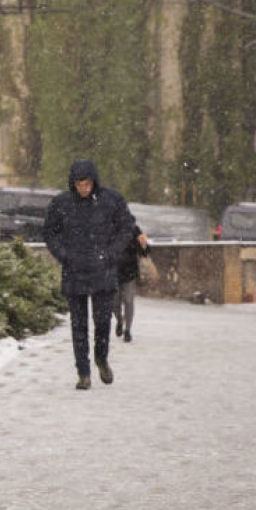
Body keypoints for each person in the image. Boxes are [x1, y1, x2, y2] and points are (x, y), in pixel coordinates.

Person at [44, 158, 135, 390]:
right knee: (78, 325)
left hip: (102, 271)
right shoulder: (61, 204)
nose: (83, 189)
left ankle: (101, 357)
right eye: (79, 184)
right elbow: (50, 233)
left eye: (87, 184)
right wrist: (64, 255)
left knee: (103, 321)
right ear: (73, 184)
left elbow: (127, 227)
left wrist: (112, 254)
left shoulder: (111, 201)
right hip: (74, 271)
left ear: (94, 182)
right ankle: (83, 372)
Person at [114, 226, 150, 343]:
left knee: (129, 300)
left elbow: (145, 251)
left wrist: (144, 246)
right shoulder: (108, 226)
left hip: (130, 272)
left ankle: (127, 330)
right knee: (114, 303)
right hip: (113, 273)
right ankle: (119, 320)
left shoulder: (134, 229)